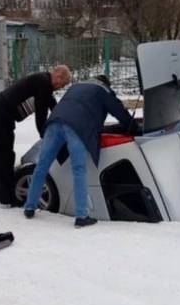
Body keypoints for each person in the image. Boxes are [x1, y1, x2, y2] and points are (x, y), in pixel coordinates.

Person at [23, 75, 138, 228]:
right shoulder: (103, 90)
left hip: (55, 122)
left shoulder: (76, 86)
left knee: (42, 166)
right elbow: (118, 111)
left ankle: (30, 207)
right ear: (106, 84)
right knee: (79, 169)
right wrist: (134, 127)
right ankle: (81, 216)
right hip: (77, 127)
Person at [0, 66, 71, 207]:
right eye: (62, 84)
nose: (60, 87)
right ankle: (6, 198)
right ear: (58, 77)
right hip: (1, 113)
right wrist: (47, 137)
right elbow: (41, 116)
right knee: (5, 154)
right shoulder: (44, 83)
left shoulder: (43, 80)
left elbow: (53, 106)